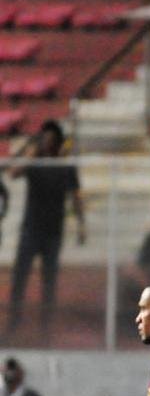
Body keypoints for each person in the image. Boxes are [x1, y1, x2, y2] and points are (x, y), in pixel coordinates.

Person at [6, 120, 85, 336]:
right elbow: (13, 173)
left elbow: (76, 196)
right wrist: (30, 156)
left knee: (49, 280)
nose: (47, 144)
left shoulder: (65, 166)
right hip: (31, 229)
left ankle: (46, 326)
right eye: (44, 139)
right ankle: (14, 321)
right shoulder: (36, 163)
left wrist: (81, 224)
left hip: (52, 231)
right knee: (20, 277)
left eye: (51, 140)